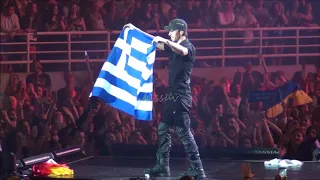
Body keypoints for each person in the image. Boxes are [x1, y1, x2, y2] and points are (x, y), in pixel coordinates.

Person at [124, 19, 206, 179]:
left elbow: (182, 51)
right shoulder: (173, 47)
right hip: (171, 96)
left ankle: (197, 168)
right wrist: (136, 30)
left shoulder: (188, 47)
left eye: (171, 31)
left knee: (183, 131)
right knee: (162, 128)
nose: (168, 33)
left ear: (181, 32)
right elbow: (155, 42)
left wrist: (166, 40)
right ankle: (163, 165)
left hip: (181, 96)